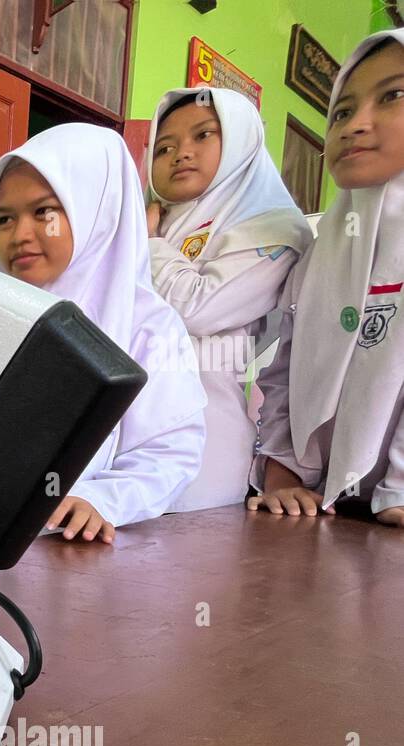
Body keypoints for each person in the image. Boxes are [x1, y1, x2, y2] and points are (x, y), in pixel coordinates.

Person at [0, 124, 206, 543]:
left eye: (44, 213)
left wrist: (102, 499)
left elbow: (170, 453)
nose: (19, 235)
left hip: (70, 545)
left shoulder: (148, 327)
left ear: (98, 210)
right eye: (4, 218)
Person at [249, 28, 404, 526]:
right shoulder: (319, 251)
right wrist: (280, 470)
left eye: (393, 96)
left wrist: (398, 488)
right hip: (321, 508)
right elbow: (283, 372)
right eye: (341, 111)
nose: (355, 125)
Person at [145, 87, 312, 510]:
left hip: (202, 444)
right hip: (123, 433)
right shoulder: (157, 223)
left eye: (203, 135)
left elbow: (198, 309)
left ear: (241, 141)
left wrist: (145, 242)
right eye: (164, 147)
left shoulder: (273, 227)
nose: (181, 153)